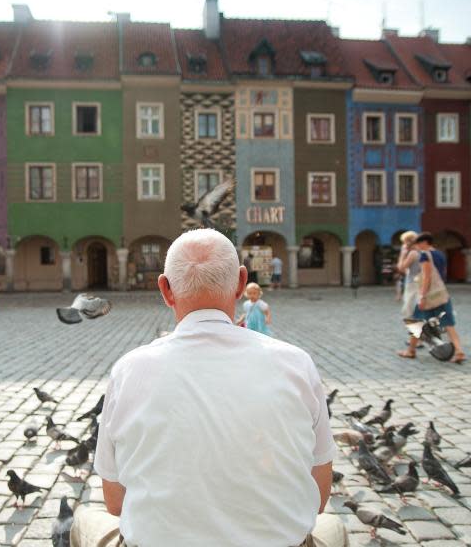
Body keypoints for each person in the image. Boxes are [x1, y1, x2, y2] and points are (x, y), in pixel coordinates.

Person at [70, 228, 344, 547]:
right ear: (242, 284)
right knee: (332, 526)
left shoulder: (129, 370)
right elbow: (319, 496)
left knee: (83, 521)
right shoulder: (296, 363)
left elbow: (115, 503)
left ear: (165, 289)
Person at [398, 232, 466, 363]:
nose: (417, 246)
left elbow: (427, 277)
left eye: (418, 243)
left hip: (429, 296)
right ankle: (459, 351)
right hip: (441, 294)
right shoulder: (440, 254)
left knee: (416, 323)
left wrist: (422, 296)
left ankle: (410, 351)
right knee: (448, 324)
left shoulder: (425, 255)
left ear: (424, 243)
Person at [396, 231, 421, 319]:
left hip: (412, 282)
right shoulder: (421, 251)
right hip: (420, 281)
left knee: (409, 309)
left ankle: (416, 329)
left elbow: (401, 268)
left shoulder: (413, 253)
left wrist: (402, 254)